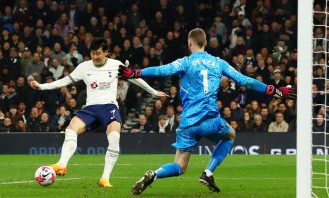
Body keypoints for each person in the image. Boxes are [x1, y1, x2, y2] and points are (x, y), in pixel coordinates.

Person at [119, 28, 296, 194]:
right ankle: (208, 172)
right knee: (230, 134)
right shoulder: (218, 62)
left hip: (188, 122)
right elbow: (246, 81)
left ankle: (154, 173)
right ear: (205, 42)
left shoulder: (185, 62)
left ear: (190, 43)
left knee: (179, 166)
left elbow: (161, 70)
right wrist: (276, 91)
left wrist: (135, 73)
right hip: (210, 120)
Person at [29, 38, 166, 188]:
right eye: (93, 54)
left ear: (106, 52)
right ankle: (62, 164)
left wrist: (153, 92)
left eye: (98, 53)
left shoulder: (116, 65)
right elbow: (65, 81)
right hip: (91, 108)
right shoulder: (84, 67)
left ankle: (105, 179)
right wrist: (41, 86)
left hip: (109, 107)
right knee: (71, 129)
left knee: (114, 137)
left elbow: (134, 79)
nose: (95, 57)